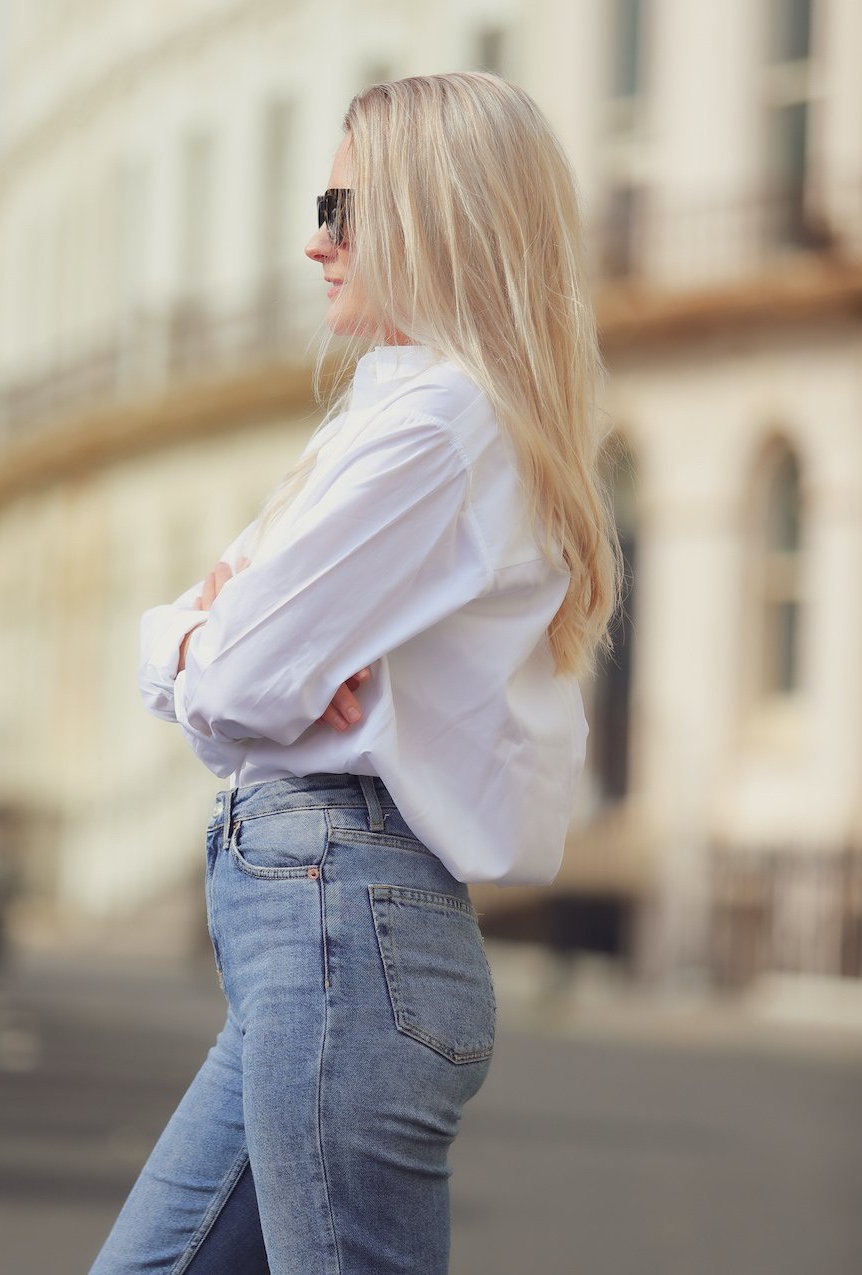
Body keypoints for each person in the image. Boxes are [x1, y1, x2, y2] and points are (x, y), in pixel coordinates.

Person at [89, 71, 623, 1275]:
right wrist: (202, 645)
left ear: (435, 215)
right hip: (331, 933)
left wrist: (215, 652)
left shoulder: (439, 426)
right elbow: (219, 659)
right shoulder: (402, 418)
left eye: (342, 205)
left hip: (341, 920)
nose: (313, 241)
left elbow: (235, 683)